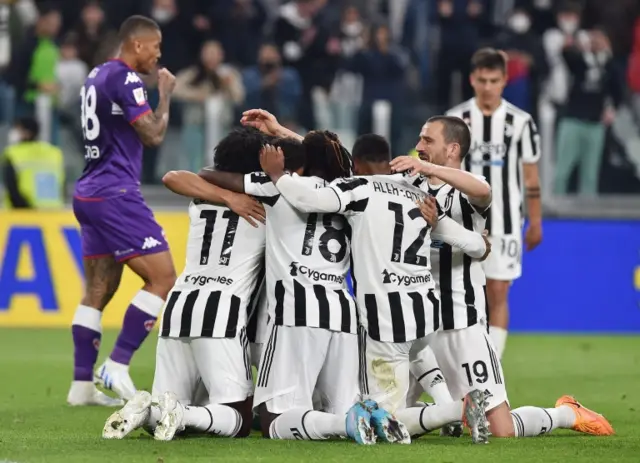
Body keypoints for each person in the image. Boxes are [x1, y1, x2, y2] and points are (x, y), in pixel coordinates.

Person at [248, 109, 491, 444]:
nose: (418, 145)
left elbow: (310, 196)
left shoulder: (360, 188)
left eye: (426, 139)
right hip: (425, 310)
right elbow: (477, 245)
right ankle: (446, 402)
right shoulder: (420, 195)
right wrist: (475, 240)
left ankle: (454, 410)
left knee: (384, 415)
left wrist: (279, 176)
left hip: (385, 315)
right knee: (415, 356)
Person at [390, 116, 615, 438]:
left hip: (462, 324)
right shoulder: (410, 185)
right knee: (392, 418)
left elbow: (483, 190)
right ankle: (449, 415)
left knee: (502, 431)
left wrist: (430, 170)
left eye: (428, 140)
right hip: (419, 324)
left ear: (452, 148)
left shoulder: (467, 188)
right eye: (420, 139)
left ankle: (566, 413)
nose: (419, 145)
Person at [101, 127, 278, 440]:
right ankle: (175, 412)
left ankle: (148, 411)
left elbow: (173, 176)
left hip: (179, 303)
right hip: (221, 309)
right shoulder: (267, 201)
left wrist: (226, 195)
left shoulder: (202, 193)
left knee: (173, 411)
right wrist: (235, 196)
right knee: (236, 418)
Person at [68, 15, 178, 407]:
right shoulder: (127, 78)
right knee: (163, 277)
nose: (158, 56)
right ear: (137, 45)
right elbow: (152, 134)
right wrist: (164, 94)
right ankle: (117, 364)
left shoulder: (96, 74)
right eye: (156, 47)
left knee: (99, 289)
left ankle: (81, 386)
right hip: (115, 192)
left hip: (89, 193)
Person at [446, 48, 543, 359]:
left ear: (504, 81)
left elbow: (530, 177)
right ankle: (461, 363)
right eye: (482, 80)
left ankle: (492, 365)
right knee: (462, 295)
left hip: (506, 222)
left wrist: (536, 221)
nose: (488, 87)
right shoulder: (455, 119)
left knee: (498, 292)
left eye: (494, 80)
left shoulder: (521, 122)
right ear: (472, 80)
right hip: (461, 222)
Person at [2, 117, 64, 209]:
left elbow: (12, 188)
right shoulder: (54, 153)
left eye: (17, 129)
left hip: (24, 214)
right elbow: (62, 184)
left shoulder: (13, 154)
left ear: (27, 133)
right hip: (53, 212)